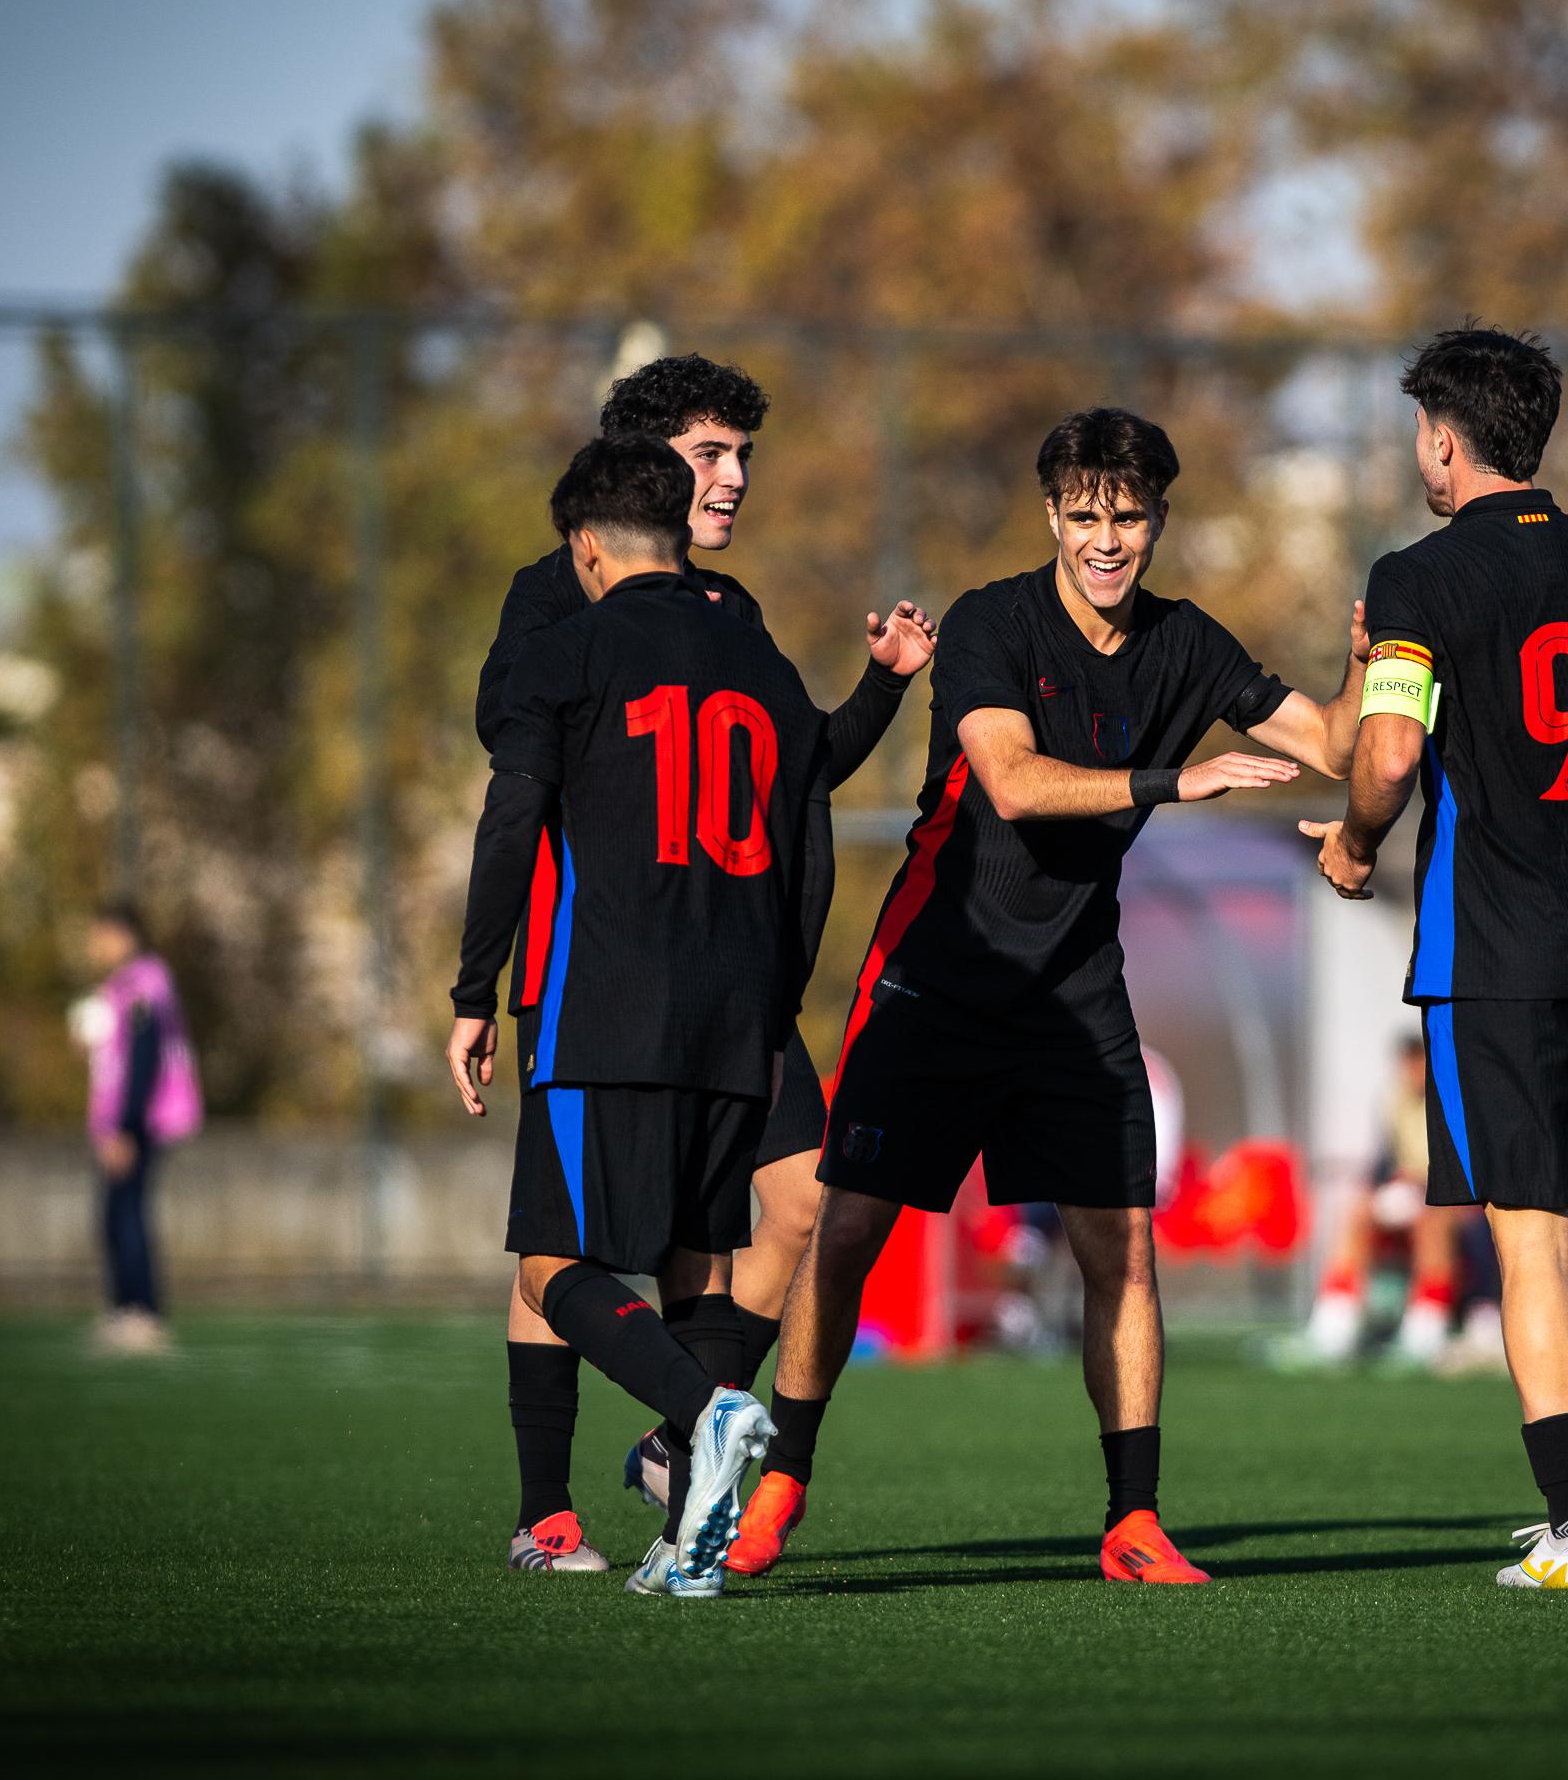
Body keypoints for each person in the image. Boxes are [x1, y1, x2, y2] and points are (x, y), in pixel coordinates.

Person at [744, 406, 1367, 1587]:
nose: (1106, 539)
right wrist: (1179, 776)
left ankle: (1133, 1517)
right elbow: (1012, 782)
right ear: (1051, 517)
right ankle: (782, 1476)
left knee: (1120, 1250)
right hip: (939, 971)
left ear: (1159, 521)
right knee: (849, 1235)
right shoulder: (992, 621)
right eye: (1085, 515)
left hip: (1076, 993)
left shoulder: (1190, 643)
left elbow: (1337, 744)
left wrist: (1375, 665)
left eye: (1127, 517)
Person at [471, 354, 936, 1574]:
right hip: (595, 974)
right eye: (712, 452)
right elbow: (513, 759)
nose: (733, 478)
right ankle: (547, 1506)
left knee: (782, 1204)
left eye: (742, 455)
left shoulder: (725, 611)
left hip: (731, 981)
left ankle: (691, 1435)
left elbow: (801, 765)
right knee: (559, 1237)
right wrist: (483, 982)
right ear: (643, 466)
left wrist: (881, 689)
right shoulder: (558, 595)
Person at [1306, 326, 1568, 1590]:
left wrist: (1357, 848)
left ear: (1443, 435)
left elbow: (1381, 756)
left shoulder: (1420, 577)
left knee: (1529, 1235)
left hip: (1493, 948)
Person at [446, 439, 834, 1597]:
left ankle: (702, 1415)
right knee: (698, 1263)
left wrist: (475, 991)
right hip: (735, 1006)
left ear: (587, 546)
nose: (732, 473)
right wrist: (779, 987)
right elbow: (808, 825)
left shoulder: (566, 645)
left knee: (550, 1263)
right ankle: (679, 1535)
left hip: (602, 998)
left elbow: (510, 817)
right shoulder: (755, 655)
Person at [75, 902, 200, 1355]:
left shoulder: (144, 985)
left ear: (125, 936)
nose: (95, 947)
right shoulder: (122, 988)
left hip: (137, 1121)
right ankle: (126, 1308)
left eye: (101, 936)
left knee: (127, 1214)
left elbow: (144, 1060)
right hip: (121, 1121)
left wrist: (125, 1127)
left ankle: (141, 1312)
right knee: (116, 1214)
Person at [1304, 1034, 1470, 1364]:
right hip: (1411, 1192)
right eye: (1407, 1063)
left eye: (1418, 1061)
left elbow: (1465, 1165)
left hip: (1455, 1198)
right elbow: (1385, 1161)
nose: (1412, 1070)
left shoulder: (1455, 1100)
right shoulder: (1393, 1100)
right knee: (1358, 1211)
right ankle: (1336, 1322)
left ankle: (1427, 1327)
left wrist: (1422, 1184)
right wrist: (1379, 1188)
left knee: (1431, 1223)